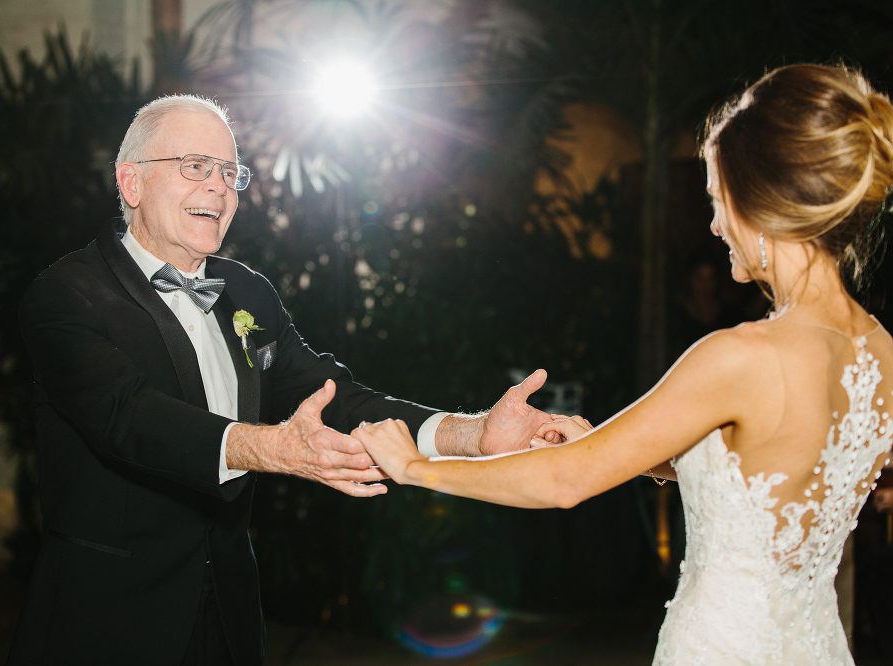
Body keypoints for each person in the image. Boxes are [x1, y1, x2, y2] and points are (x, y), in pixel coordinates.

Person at [353, 63, 893, 664]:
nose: (714, 226)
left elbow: (563, 483)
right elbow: (775, 475)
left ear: (761, 201)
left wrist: (415, 467)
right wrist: (616, 449)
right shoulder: (883, 353)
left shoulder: (740, 357)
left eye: (717, 200)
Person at [9, 95, 556, 665]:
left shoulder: (248, 294)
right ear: (132, 183)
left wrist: (473, 436)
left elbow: (334, 398)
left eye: (229, 173)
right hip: (104, 622)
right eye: (195, 166)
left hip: (228, 615)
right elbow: (126, 415)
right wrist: (271, 447)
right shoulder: (67, 295)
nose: (219, 188)